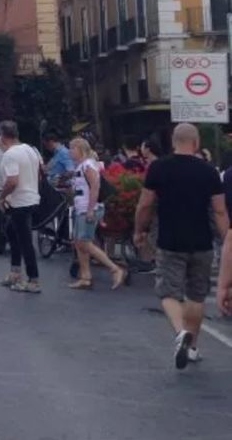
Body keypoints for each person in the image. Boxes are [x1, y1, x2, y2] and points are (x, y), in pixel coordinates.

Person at [134, 122, 229, 369]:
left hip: (170, 241)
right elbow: (219, 211)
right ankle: (193, 347)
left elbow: (145, 204)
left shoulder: (158, 168)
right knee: (196, 295)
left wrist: (139, 231)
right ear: (196, 143)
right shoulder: (208, 171)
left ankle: (180, 333)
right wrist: (227, 240)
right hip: (202, 243)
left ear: (174, 142)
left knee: (167, 292)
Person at [66, 137, 126, 290]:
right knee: (79, 243)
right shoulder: (82, 166)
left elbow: (95, 187)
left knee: (84, 242)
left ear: (80, 149)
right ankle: (85, 277)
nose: (70, 151)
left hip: (87, 208)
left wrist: (91, 209)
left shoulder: (87, 165)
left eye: (72, 148)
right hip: (82, 208)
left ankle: (115, 269)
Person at [0, 120, 43, 294]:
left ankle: (33, 280)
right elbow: (40, 172)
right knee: (11, 231)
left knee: (25, 242)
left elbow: (12, 181)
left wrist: (2, 197)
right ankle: (15, 272)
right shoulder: (30, 150)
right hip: (31, 198)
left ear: (2, 136)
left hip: (20, 202)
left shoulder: (10, 154)